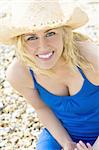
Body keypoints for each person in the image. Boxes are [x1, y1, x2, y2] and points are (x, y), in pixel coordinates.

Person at [0, 0, 99, 149]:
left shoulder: (90, 58)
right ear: (20, 42)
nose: (43, 46)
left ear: (64, 33)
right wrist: (67, 144)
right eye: (31, 37)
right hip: (62, 133)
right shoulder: (19, 73)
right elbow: (42, 109)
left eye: (50, 33)